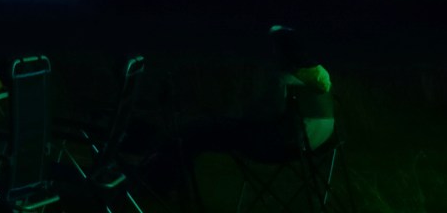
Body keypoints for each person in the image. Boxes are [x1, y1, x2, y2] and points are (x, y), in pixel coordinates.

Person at [140, 24, 335, 194]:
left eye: (275, 49)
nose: (272, 54)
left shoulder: (284, 81)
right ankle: (164, 176)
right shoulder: (321, 77)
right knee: (200, 132)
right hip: (316, 144)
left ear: (284, 53)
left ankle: (160, 182)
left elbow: (260, 117)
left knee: (195, 133)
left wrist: (237, 116)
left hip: (278, 145)